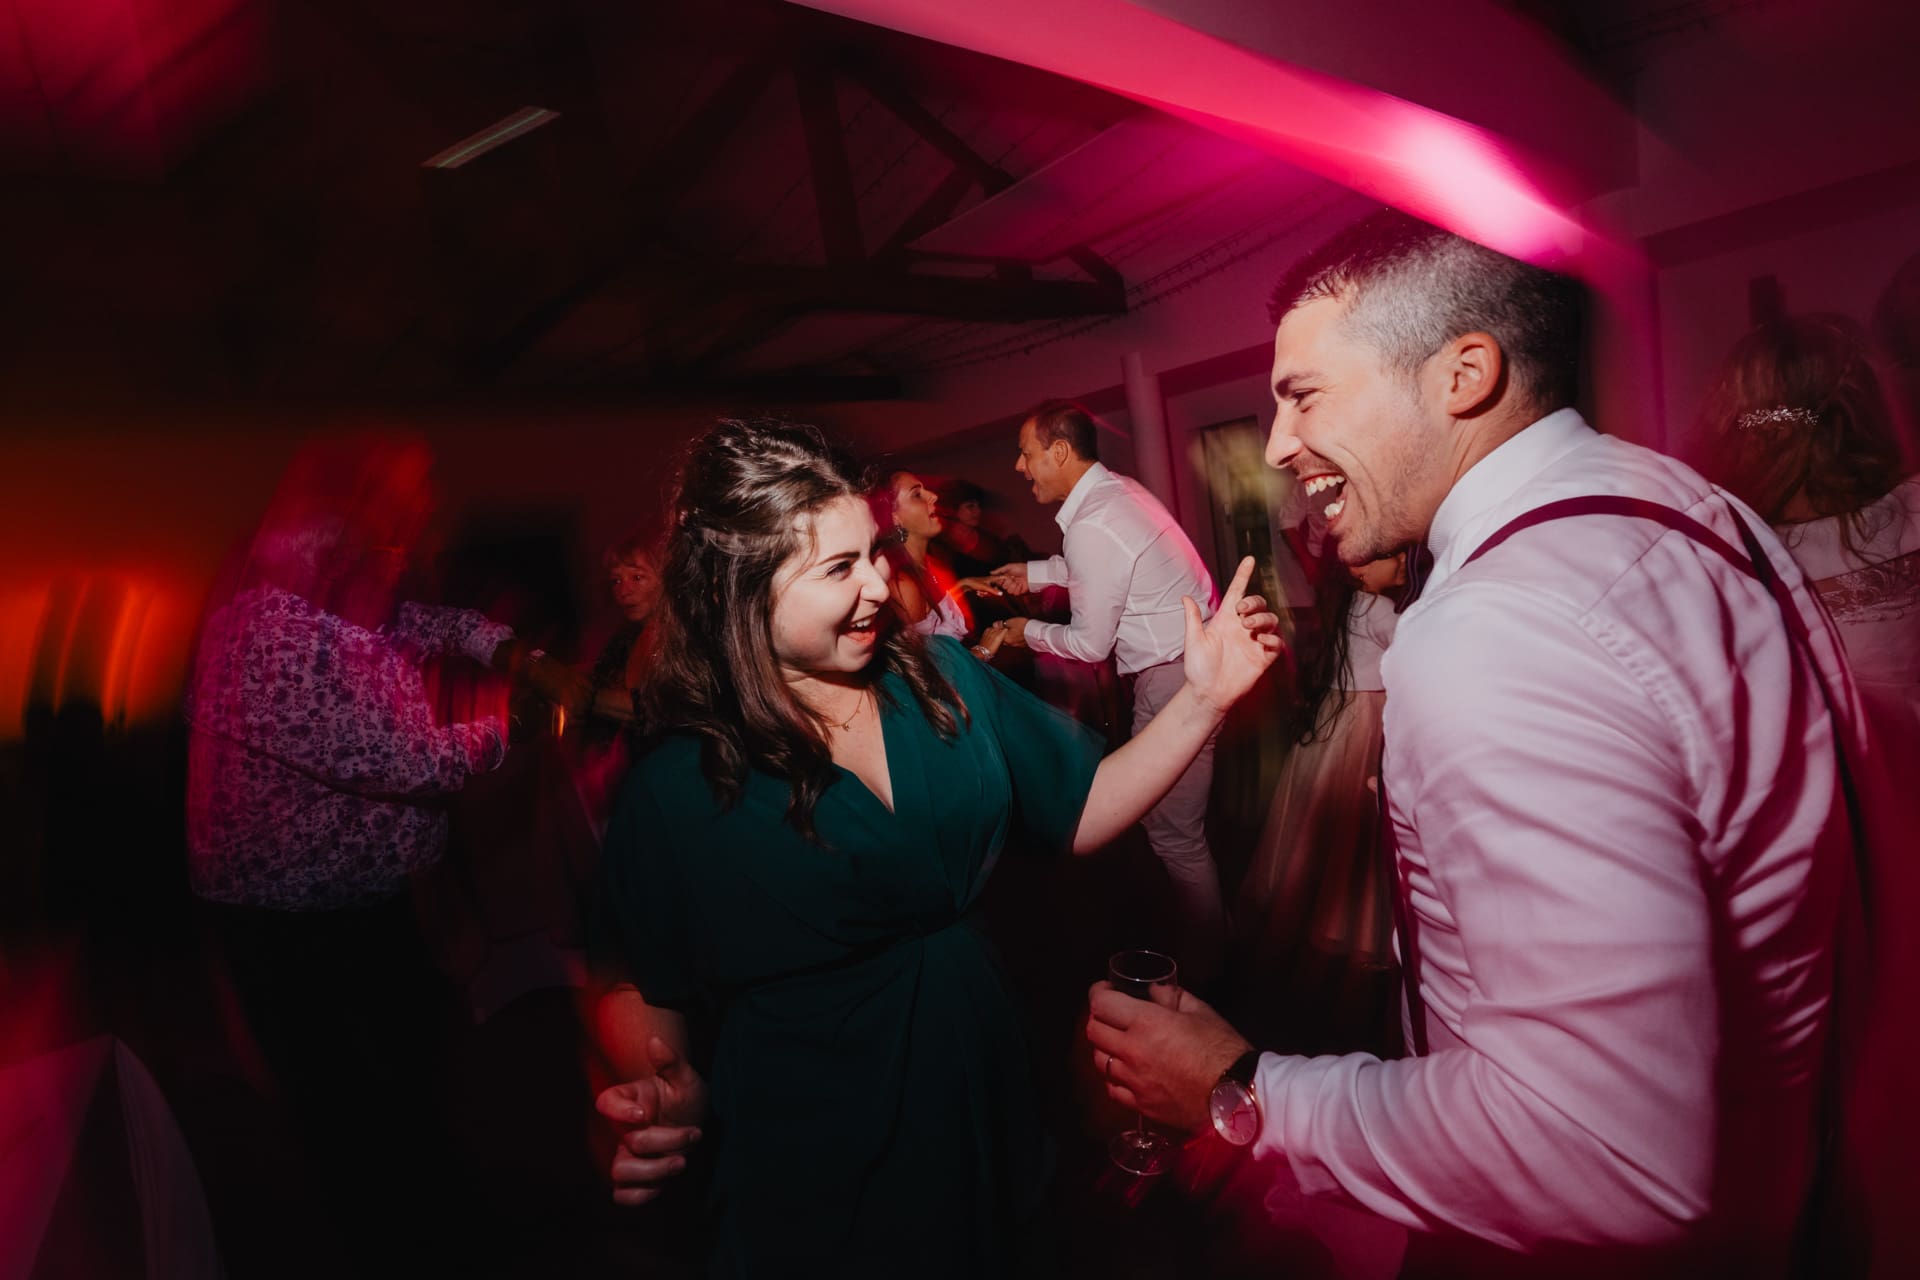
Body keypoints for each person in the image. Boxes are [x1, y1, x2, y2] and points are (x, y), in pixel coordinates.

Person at [1086, 211, 1864, 1276]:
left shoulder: (1503, 629)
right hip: (1788, 1186)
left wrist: (1244, 1086)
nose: (1275, 445)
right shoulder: (1677, 503)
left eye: (1304, 394)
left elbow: (1605, 1149)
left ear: (1462, 375)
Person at [588, 418, 1280, 1276]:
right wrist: (668, 1087)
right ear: (741, 590)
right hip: (819, 1139)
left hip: (984, 1076)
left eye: (874, 552)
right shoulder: (678, 782)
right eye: (839, 568)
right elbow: (637, 974)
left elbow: (1082, 805)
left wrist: (1203, 699)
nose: (880, 584)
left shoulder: (938, 680)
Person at [184, 434, 589, 1269]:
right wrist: (520, 721)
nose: (427, 508)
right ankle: (400, 1245)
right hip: (292, 926)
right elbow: (402, 762)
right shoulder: (272, 625)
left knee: (413, 1069)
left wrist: (507, 650)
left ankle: (436, 1219)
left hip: (362, 903)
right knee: (352, 1109)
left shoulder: (343, 585)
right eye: (410, 494)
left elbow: (416, 618)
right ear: (354, 506)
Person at [989, 400, 1229, 984]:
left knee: (1175, 835)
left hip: (1174, 676)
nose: (1020, 467)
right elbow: (1109, 566)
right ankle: (1209, 946)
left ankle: (1211, 969)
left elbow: (1091, 643)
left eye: (1026, 453)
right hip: (1187, 667)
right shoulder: (1113, 494)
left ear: (1060, 452)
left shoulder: (1095, 521)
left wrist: (1026, 630)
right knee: (1170, 829)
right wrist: (1036, 572)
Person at [1233, 551, 1404, 1057]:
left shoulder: (1348, 603)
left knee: (1312, 825)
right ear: (1358, 569)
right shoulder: (1380, 610)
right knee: (1357, 835)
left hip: (1338, 714)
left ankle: (1307, 916)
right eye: (1388, 556)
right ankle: (1349, 926)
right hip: (1367, 719)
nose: (1399, 559)